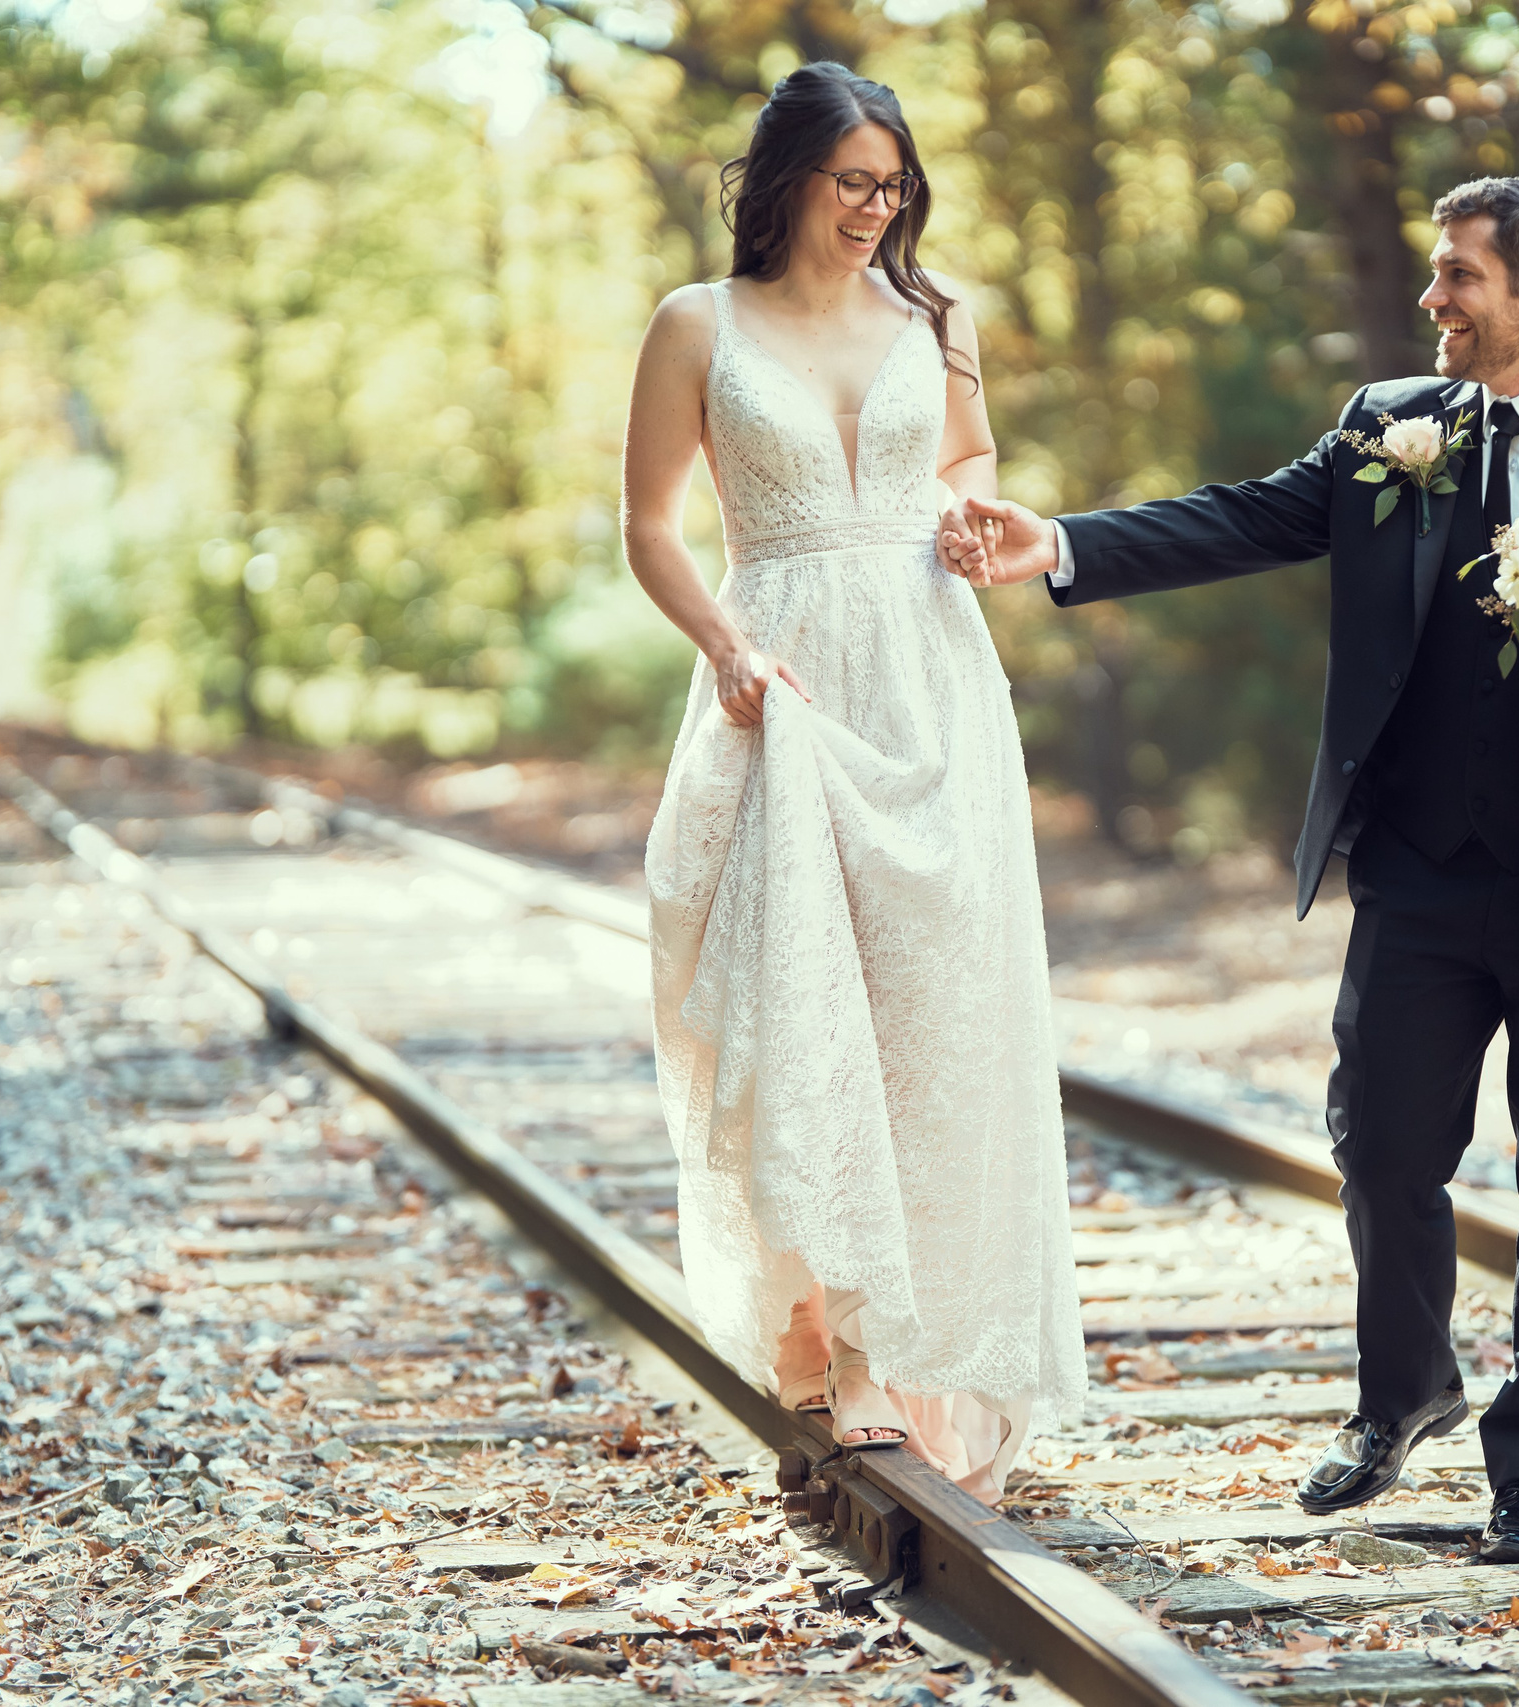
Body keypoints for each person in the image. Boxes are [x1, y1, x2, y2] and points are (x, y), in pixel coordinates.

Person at [939, 175, 1519, 1561]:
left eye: (1459, 277)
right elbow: (1242, 519)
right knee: (1379, 1150)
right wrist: (1060, 547)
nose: (1434, 299)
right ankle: (1405, 1396)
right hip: (1421, 869)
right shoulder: (1395, 426)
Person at [620, 62, 1083, 1501]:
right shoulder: (696, 324)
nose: (877, 211)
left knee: (931, 1015)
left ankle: (922, 1334)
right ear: (785, 182)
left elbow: (967, 459)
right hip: (785, 686)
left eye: (895, 188)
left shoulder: (934, 318)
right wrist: (728, 649)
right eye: (853, 185)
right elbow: (649, 526)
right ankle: (839, 1345)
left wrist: (962, 516)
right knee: (802, 1005)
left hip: (933, 684)